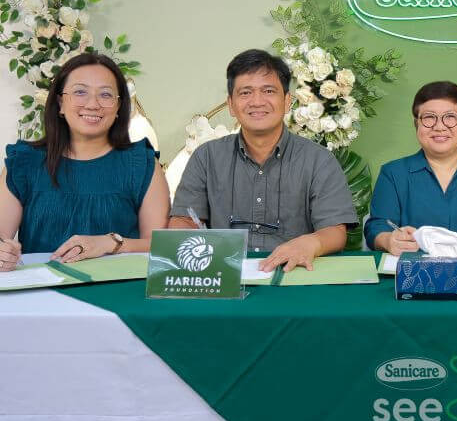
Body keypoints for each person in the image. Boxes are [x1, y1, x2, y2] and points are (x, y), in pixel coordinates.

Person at [169, 49, 357, 271]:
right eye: (245, 93)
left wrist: (310, 243)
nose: (257, 102)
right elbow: (183, 221)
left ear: (287, 101)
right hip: (223, 274)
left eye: (268, 91)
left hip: (293, 275)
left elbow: (335, 232)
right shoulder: (206, 157)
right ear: (230, 104)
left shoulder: (319, 160)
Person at [0, 53, 170, 270]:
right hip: (40, 292)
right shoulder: (24, 162)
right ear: (60, 103)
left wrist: (111, 243)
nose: (93, 104)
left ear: (119, 107)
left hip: (118, 295)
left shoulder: (142, 164)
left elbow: (161, 246)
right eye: (80, 92)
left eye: (106, 95)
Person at [364, 81, 457, 254]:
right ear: (416, 124)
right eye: (429, 117)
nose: (440, 127)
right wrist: (388, 240)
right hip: (413, 271)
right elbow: (378, 225)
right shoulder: (393, 173)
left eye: (450, 117)